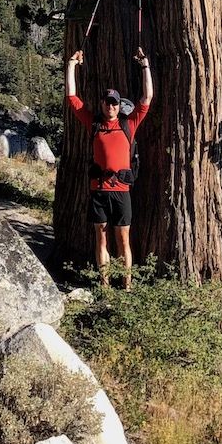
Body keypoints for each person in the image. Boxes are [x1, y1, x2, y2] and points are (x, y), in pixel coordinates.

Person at [65, 45, 153, 289]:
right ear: (102, 103)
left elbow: (147, 99)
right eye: (107, 103)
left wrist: (145, 66)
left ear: (118, 105)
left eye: (114, 103)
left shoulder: (129, 124)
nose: (111, 107)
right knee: (100, 238)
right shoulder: (93, 123)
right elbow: (72, 99)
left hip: (122, 190)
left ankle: (127, 284)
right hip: (99, 190)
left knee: (123, 238)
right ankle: (104, 285)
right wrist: (72, 65)